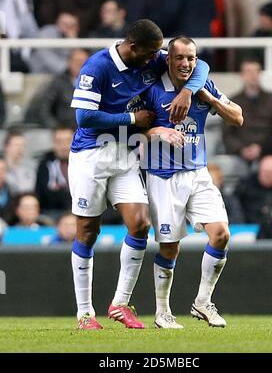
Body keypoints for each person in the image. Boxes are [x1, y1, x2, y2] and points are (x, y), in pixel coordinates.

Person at [68, 19, 210, 330]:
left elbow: (202, 66)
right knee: (88, 232)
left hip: (127, 152)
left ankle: (119, 304)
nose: (154, 60)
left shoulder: (150, 56)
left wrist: (187, 92)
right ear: (132, 48)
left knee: (140, 224)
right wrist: (134, 117)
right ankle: (85, 313)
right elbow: (85, 117)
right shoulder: (98, 67)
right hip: (91, 156)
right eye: (149, 55)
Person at [143, 36, 243, 328]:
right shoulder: (151, 87)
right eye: (180, 58)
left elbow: (238, 117)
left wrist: (209, 100)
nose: (186, 63)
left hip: (198, 173)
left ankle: (202, 302)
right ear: (168, 60)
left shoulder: (203, 86)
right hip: (162, 177)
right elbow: (134, 126)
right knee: (169, 247)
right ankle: (162, 311)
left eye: (191, 58)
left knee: (221, 234)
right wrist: (159, 131)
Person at [222, 58, 272, 166]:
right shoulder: (232, 102)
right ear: (242, 75)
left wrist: (262, 148)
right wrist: (242, 149)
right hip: (240, 152)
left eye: (256, 71)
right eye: (248, 71)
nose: (252, 75)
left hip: (267, 151)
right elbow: (227, 133)